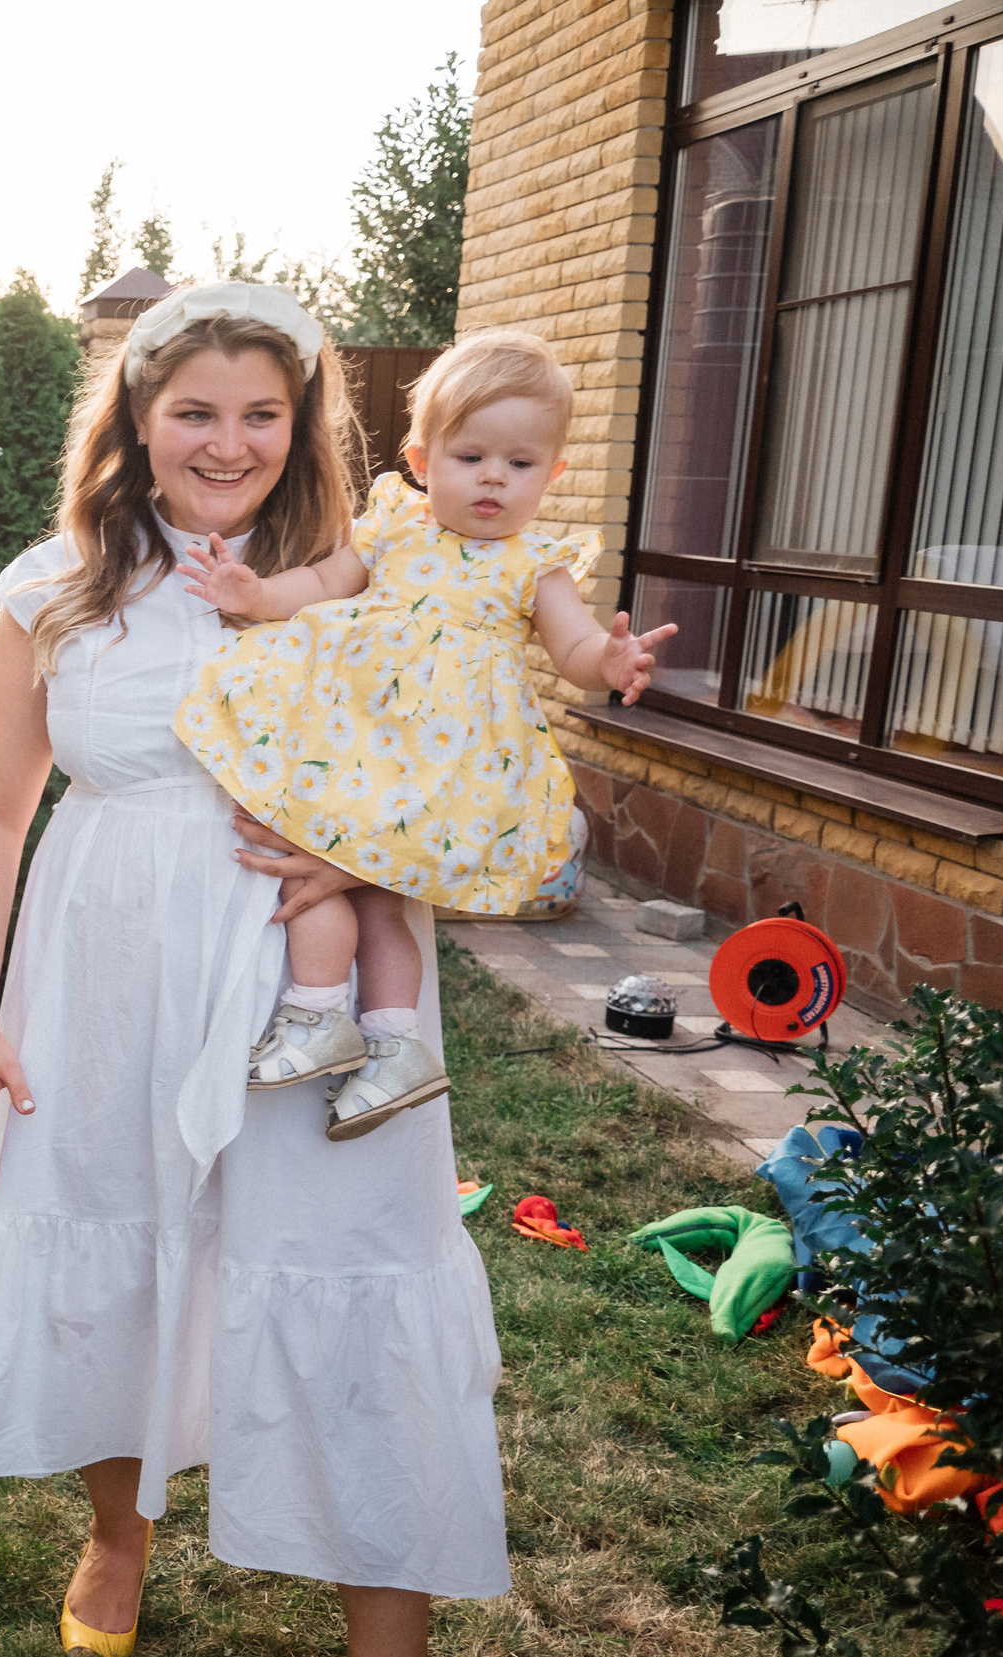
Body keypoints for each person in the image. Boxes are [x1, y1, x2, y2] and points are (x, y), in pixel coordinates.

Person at [0, 282, 508, 1657]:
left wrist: (350, 837)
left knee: (353, 1279)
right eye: (196, 411)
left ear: (302, 422)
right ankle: (118, 1533)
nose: (229, 441)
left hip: (317, 980)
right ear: (137, 414)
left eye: (262, 413)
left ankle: (391, 1646)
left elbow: (466, 768)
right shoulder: (57, 581)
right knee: (113, 1246)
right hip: (107, 972)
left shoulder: (375, 574)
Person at [173, 328, 673, 1139]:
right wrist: (255, 593)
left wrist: (610, 663)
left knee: (377, 894)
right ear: (420, 458)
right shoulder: (395, 528)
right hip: (361, 740)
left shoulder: (533, 562)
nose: (492, 479)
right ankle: (333, 1018)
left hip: (440, 770)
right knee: (331, 871)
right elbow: (322, 583)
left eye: (519, 464)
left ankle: (380, 1037)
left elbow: (573, 643)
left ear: (553, 474)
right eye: (470, 456)